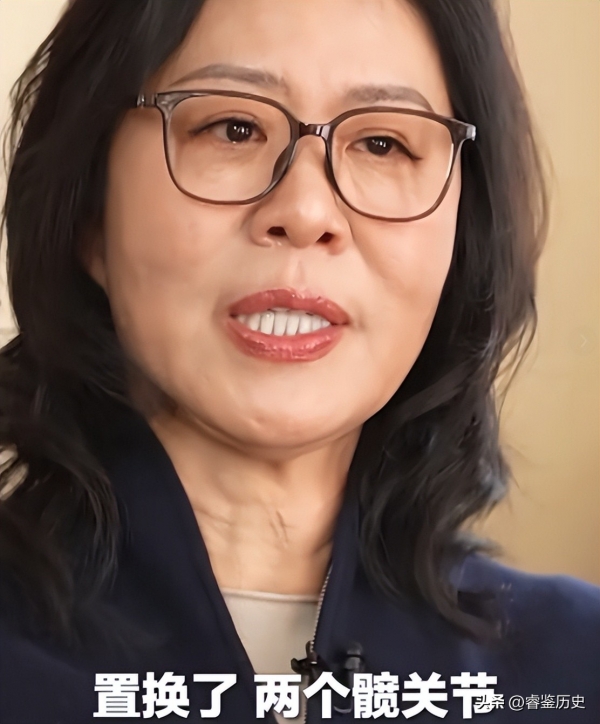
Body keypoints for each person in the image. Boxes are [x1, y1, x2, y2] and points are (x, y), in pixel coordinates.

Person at [0, 0, 598, 722]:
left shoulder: (574, 669)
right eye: (233, 128)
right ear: (89, 209)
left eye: (382, 144)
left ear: (460, 236)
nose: (307, 211)